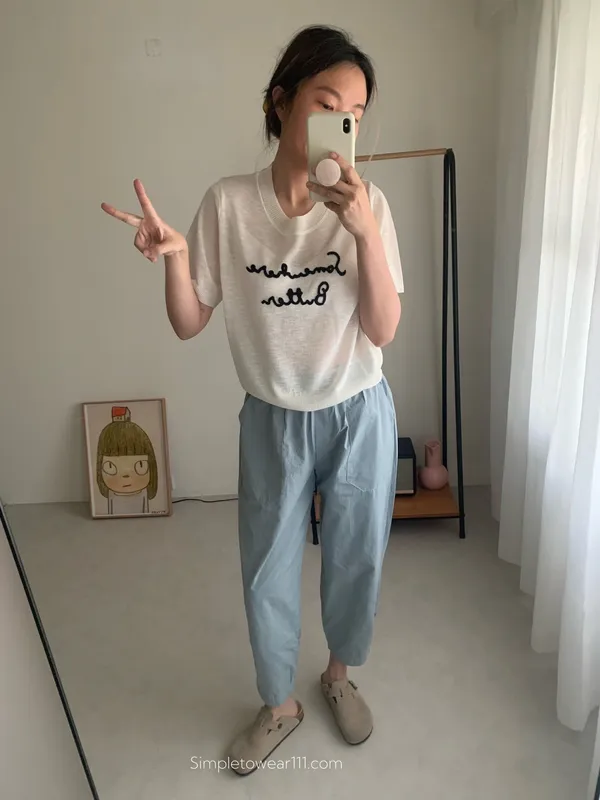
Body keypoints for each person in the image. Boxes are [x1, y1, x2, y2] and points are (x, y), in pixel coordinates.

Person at [101, 25, 403, 775]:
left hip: (358, 409)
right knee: (266, 570)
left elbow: (382, 329)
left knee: (355, 558)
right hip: (272, 417)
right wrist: (174, 260)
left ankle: (339, 675)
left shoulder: (370, 205)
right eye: (326, 103)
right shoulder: (229, 204)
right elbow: (189, 322)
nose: (342, 123)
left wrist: (364, 233)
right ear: (281, 102)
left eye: (355, 113)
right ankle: (279, 703)